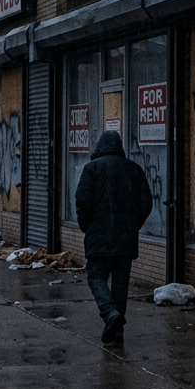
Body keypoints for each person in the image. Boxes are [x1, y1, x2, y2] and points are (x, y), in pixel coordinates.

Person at [74, 129, 153, 344]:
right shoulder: (134, 170)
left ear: (100, 146)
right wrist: (132, 225)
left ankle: (110, 314)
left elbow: (82, 201)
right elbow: (146, 202)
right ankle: (118, 333)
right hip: (125, 239)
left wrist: (87, 226)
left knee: (95, 276)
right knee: (120, 284)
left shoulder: (92, 169)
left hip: (99, 236)